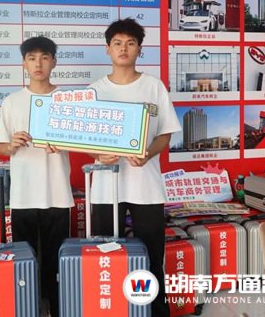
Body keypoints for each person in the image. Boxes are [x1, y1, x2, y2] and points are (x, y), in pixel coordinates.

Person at [89, 18, 181, 317]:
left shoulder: (153, 87)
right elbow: (85, 139)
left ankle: (156, 311)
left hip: (146, 186)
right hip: (106, 188)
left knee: (152, 256)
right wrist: (99, 154)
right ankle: (112, 310)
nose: (123, 48)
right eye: (117, 43)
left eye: (130, 43)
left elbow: (165, 133)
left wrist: (148, 154)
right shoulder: (94, 91)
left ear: (140, 49)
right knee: (106, 256)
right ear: (107, 49)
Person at [0, 36, 73, 317]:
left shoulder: (67, 100)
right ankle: (27, 309)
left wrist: (64, 142)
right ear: (24, 64)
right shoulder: (12, 101)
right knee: (24, 261)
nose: (38, 64)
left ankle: (57, 309)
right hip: (23, 195)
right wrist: (12, 145)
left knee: (56, 261)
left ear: (54, 62)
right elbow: (1, 146)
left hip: (57, 193)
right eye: (32, 58)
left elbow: (82, 141)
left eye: (44, 57)